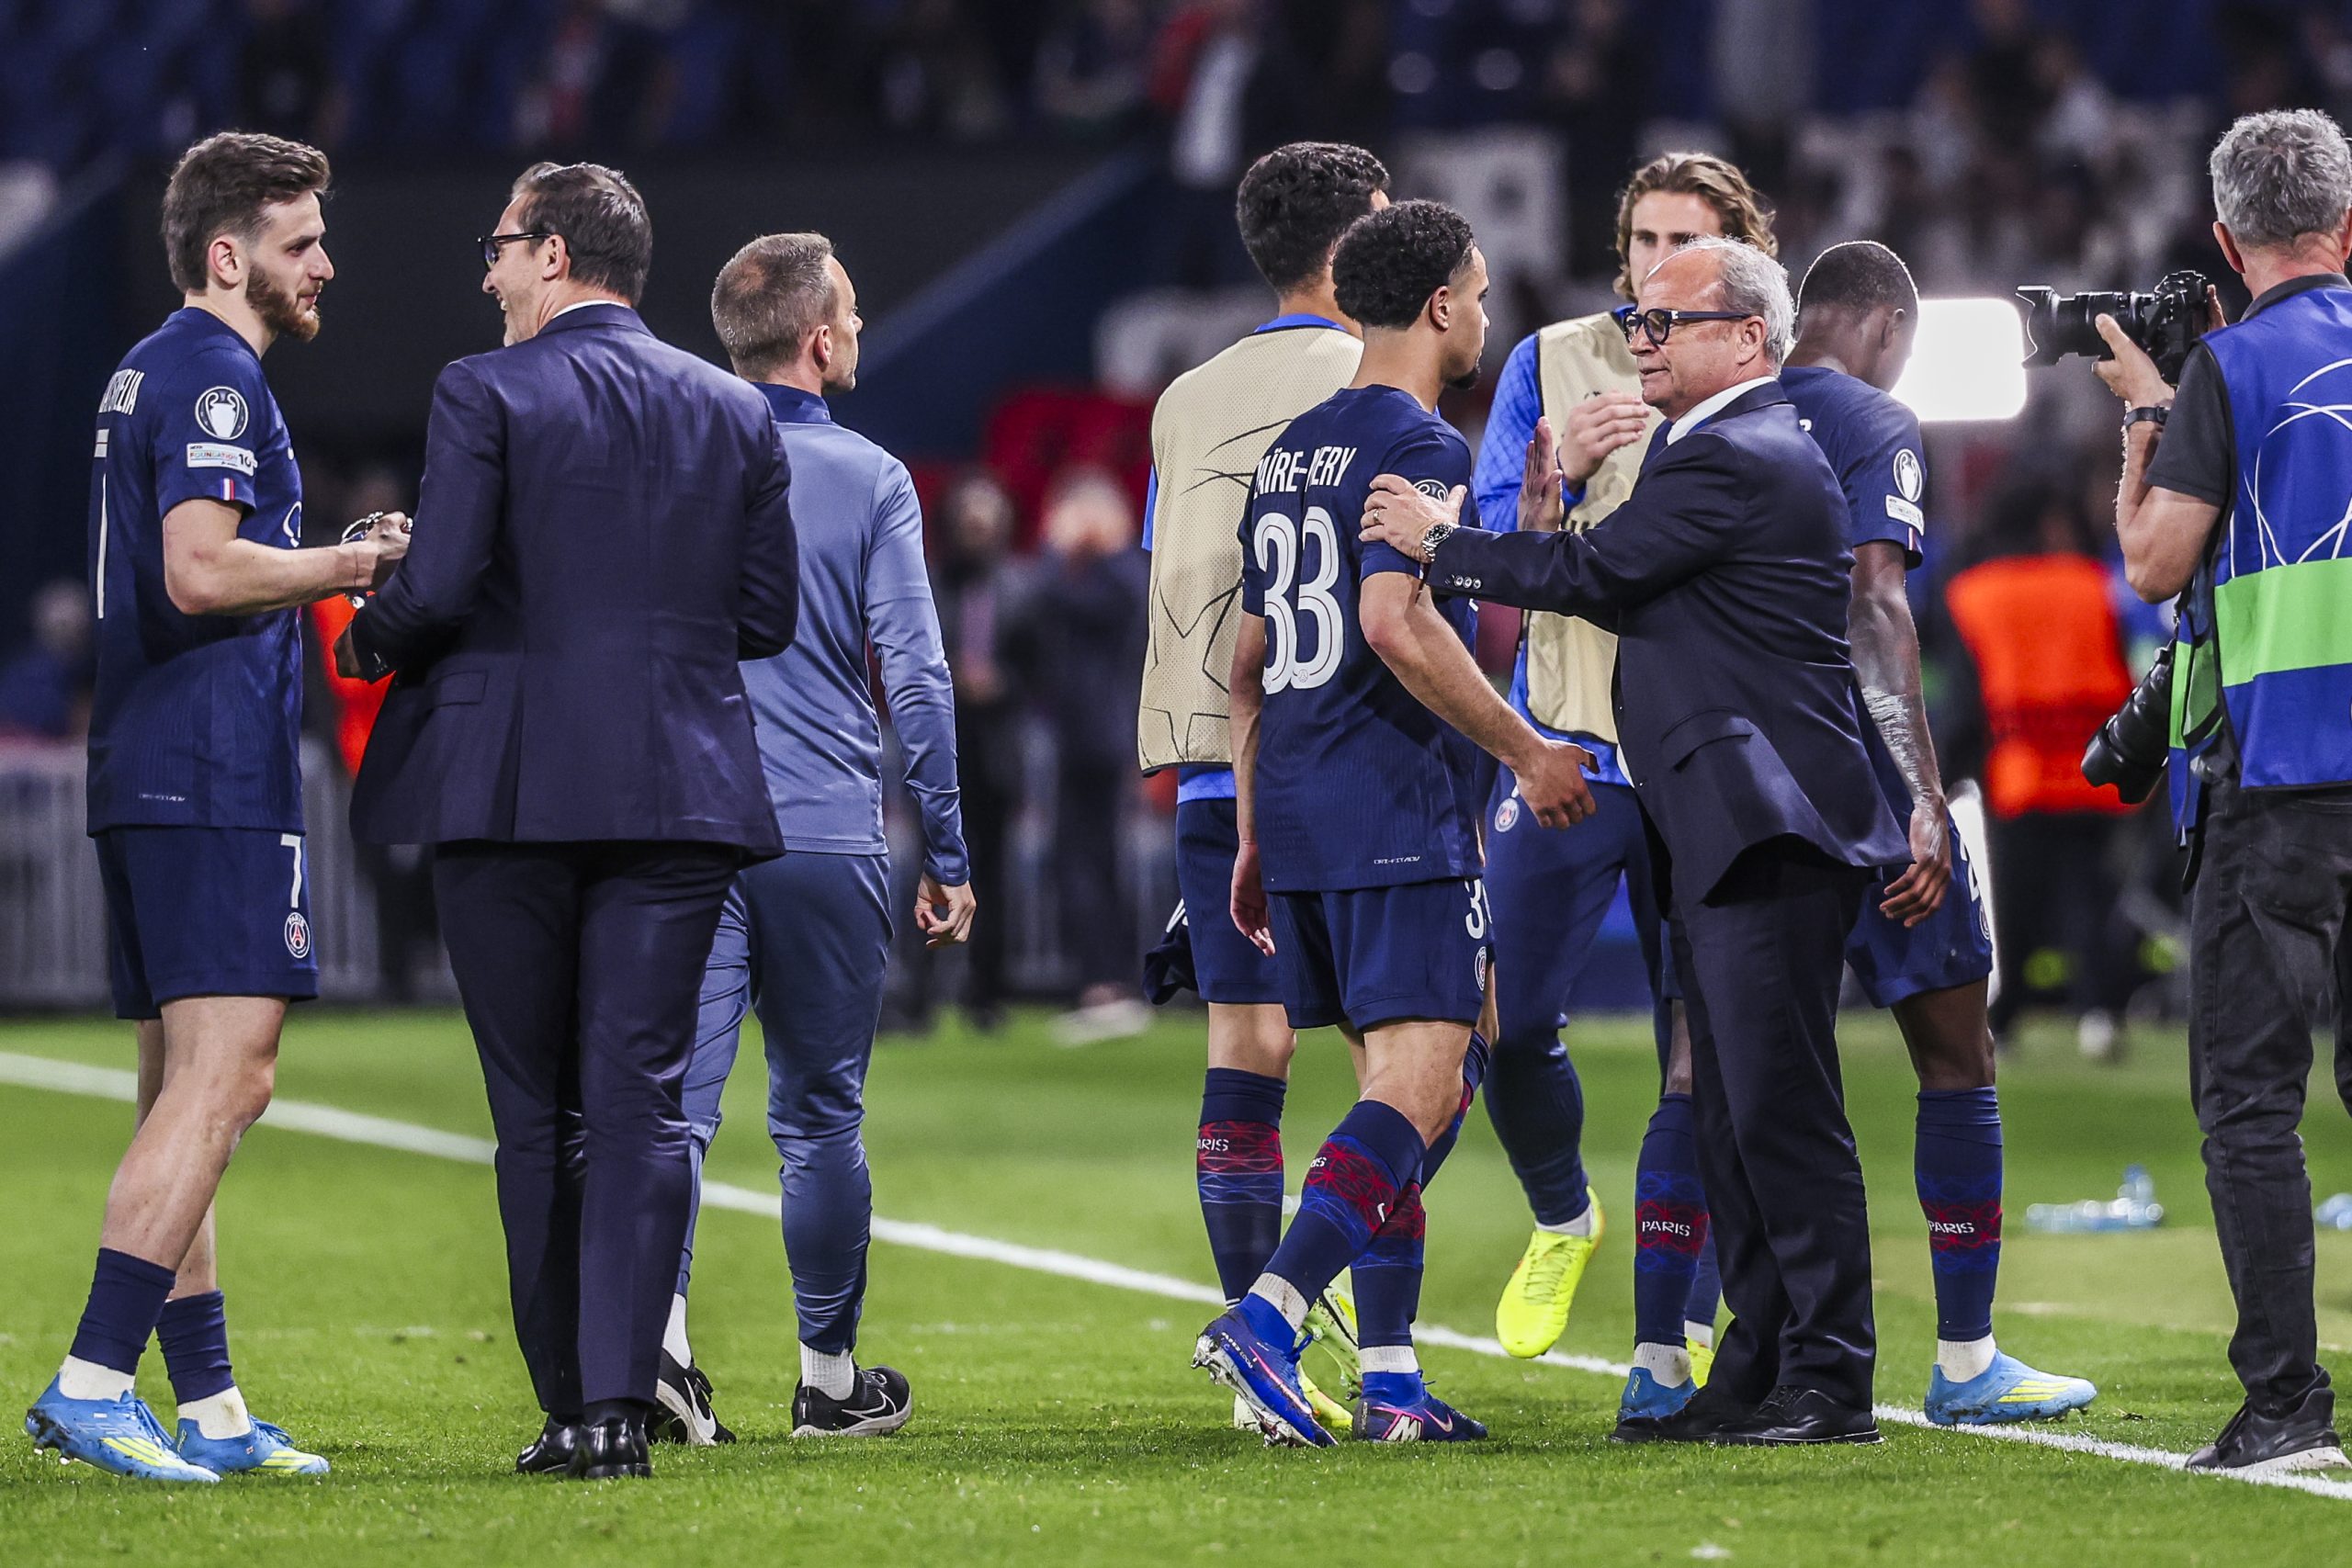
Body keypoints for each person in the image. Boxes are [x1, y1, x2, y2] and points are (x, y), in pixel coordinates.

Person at [1362, 236, 1908, 1447]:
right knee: (1732, 1116)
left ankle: (1832, 1375)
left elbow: (1600, 568)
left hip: (1771, 823)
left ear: (1748, 341)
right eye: (1638, 319)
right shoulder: (1704, 445)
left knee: (1782, 1110)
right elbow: (1609, 573)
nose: (1641, 340)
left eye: (1667, 322)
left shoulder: (1746, 449)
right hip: (1726, 821)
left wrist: (1441, 539)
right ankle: (1760, 1363)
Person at [338, 162, 799, 1482]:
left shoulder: (483, 389)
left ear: (550, 253)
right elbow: (763, 617)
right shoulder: (735, 409)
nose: (486, 275)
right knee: (644, 1106)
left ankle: (567, 1410)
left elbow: (438, 589)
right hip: (686, 786)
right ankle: (620, 1409)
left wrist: (368, 634)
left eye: (497, 249)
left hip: (514, 784)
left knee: (539, 1110)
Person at [26, 130, 405, 1483]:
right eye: (302, 241)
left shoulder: (146, 366)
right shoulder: (215, 374)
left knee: (176, 1089)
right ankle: (90, 1379)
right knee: (231, 1076)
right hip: (208, 767)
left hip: (148, 757)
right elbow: (196, 571)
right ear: (229, 252)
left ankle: (214, 1404)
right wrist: (348, 562)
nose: (326, 264)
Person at [1193, 199, 1594, 1447]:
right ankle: (1269, 1311)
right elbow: (1391, 619)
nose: (1483, 315)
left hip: (1304, 808)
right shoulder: (1419, 442)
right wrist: (1528, 751)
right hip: (1392, 807)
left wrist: (1255, 833)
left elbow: (1247, 662)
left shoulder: (1293, 449)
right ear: (1437, 306)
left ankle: (1393, 1377)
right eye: (1476, 294)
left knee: (1391, 1083)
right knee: (1429, 1081)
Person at [657, 231, 975, 1446]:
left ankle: (662, 1354)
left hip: (683, 822)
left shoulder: (670, 458)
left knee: (672, 1111)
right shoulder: (872, 476)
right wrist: (947, 846)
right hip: (824, 830)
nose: (858, 326)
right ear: (819, 337)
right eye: (849, 307)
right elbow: (922, 677)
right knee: (819, 1117)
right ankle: (829, 1380)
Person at [1468, 152, 1773, 1377]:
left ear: (1738, 263)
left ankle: (1671, 1331)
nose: (1656, 265)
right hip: (1566, 746)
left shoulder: (1759, 370)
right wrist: (1564, 482)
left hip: (1703, 758)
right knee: (1505, 1024)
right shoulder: (1549, 362)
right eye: (1643, 238)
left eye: (1684, 240)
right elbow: (1485, 555)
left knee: (1698, 1051)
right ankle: (1560, 1212)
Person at [1781, 240, 2096, 1425]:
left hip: (1734, 786)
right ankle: (1965, 1360)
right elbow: (1877, 606)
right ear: (1887, 326)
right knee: (1956, 1056)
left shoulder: (1713, 416)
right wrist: (1919, 794)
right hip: (1861, 781)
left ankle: (1674, 1358)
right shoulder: (1873, 418)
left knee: (1720, 1073)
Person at [2089, 107, 2352, 1474]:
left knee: (2252, 1100)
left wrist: (2145, 418)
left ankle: (2288, 1405)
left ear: (2225, 240)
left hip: (2282, 780)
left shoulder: (2233, 370)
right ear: (2348, 224)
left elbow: (2151, 562)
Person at [1136, 140, 1386, 1428]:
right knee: (1402, 1061)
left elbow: (1173, 575)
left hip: (1209, 776)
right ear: (1356, 248)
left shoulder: (1184, 398)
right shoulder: (1379, 376)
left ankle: (1260, 1358)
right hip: (1348, 762)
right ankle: (1365, 1346)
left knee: (1246, 1051)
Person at [1939, 484, 2141, 1054]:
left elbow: (1965, 701)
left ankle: (2003, 1021)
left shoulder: (1974, 594)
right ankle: (2100, 1015)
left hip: (2018, 769)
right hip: (2094, 766)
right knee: (2089, 895)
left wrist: (1947, 776)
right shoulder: (2095, 584)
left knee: (2016, 900)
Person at [930, 472, 1024, 1029]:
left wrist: (1002, 684)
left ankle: (987, 993)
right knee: (924, 867)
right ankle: (916, 996)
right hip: (938, 748)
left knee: (996, 874)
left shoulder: (1020, 589)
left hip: (996, 751)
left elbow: (1041, 670)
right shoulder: (932, 586)